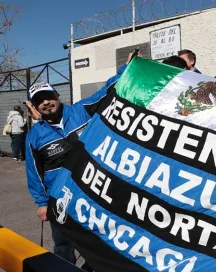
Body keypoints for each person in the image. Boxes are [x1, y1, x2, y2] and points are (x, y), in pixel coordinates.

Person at [25, 52, 137, 269]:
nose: (46, 103)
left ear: (57, 95)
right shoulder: (34, 136)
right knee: (63, 244)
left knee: (100, 239)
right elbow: (34, 173)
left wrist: (126, 69)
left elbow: (108, 91)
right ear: (35, 107)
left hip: (94, 192)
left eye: (48, 96)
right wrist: (41, 203)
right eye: (39, 101)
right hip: (60, 199)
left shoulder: (81, 110)